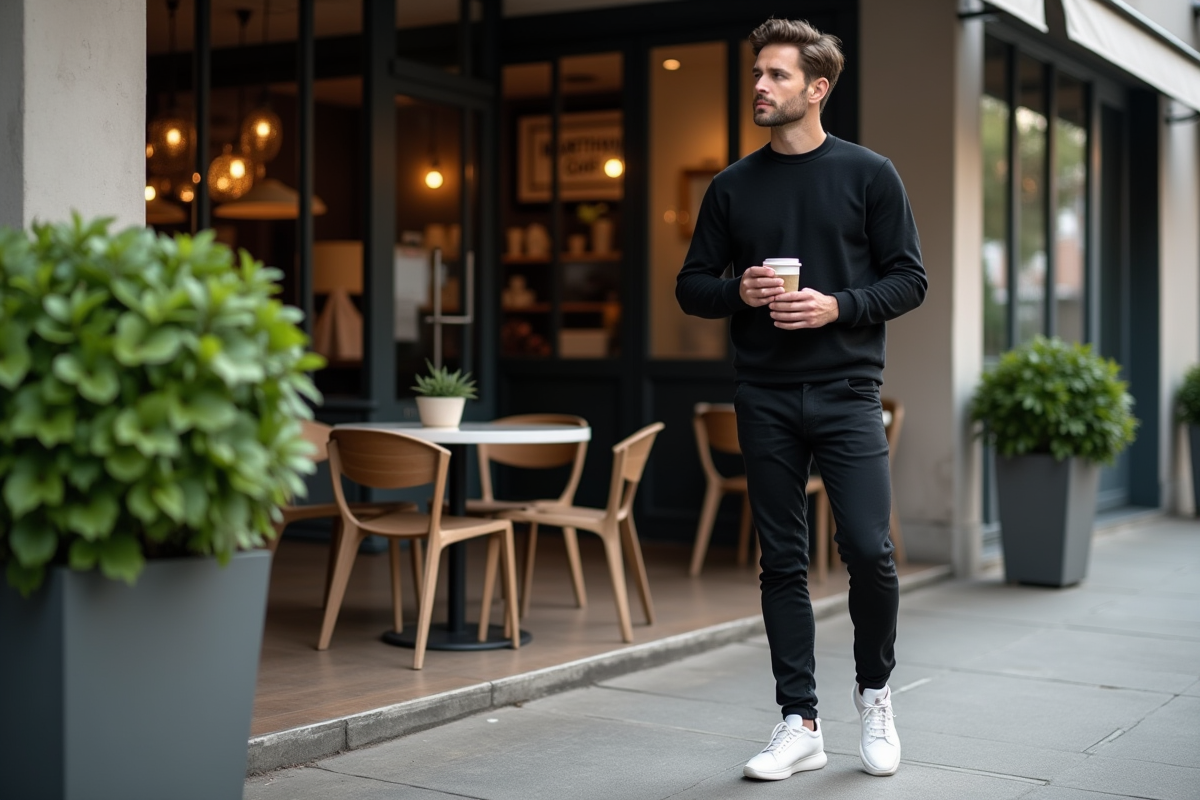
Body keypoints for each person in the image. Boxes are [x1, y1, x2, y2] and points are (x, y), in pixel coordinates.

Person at [675, 17, 927, 780]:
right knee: (780, 560)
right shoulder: (731, 186)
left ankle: (876, 696)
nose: (759, 85)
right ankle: (800, 721)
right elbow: (691, 288)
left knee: (870, 552)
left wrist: (838, 307)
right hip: (766, 395)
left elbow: (909, 279)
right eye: (757, 73)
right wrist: (738, 290)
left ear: (817, 89)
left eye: (777, 75)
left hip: (850, 392)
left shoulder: (870, 174)